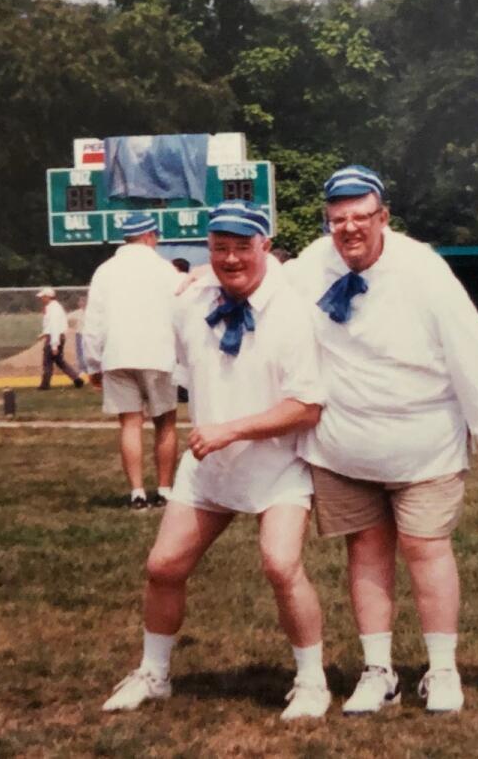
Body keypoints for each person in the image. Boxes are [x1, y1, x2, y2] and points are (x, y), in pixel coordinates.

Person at [284, 165, 478, 714]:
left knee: (427, 549)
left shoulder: (424, 269)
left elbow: (467, 344)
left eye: (360, 218)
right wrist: (199, 279)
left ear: (384, 218)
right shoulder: (310, 265)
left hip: (425, 443)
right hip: (344, 442)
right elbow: (262, 286)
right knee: (366, 553)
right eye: (337, 220)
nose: (348, 229)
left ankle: (442, 671)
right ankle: (378, 672)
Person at [102, 201, 331, 721]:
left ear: (265, 248)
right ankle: (154, 674)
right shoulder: (191, 299)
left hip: (278, 467)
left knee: (280, 564)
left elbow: (308, 407)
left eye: (241, 247)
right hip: (210, 469)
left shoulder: (292, 311)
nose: (230, 259)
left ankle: (312, 682)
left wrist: (232, 429)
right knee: (163, 566)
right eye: (218, 248)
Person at [82, 213, 182, 510]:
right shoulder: (165, 270)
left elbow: (94, 322)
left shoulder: (105, 271)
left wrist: (93, 364)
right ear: (150, 236)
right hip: (158, 352)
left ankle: (137, 492)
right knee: (165, 422)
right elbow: (180, 315)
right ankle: (164, 488)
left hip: (118, 353)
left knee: (130, 423)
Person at [36, 287, 84, 391]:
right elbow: (53, 326)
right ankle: (76, 379)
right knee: (59, 361)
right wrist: (44, 334)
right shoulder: (55, 307)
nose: (41, 299)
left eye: (43, 297)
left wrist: (54, 345)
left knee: (47, 361)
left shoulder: (53, 309)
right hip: (57, 336)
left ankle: (45, 384)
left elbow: (54, 327)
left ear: (48, 297)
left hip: (54, 337)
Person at [66, 295, 88, 374]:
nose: (80, 303)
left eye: (82, 301)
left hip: (89, 335)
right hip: (80, 334)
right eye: (80, 302)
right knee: (80, 352)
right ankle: (83, 369)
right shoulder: (77, 312)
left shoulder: (91, 312)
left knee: (89, 352)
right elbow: (67, 317)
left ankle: (90, 369)